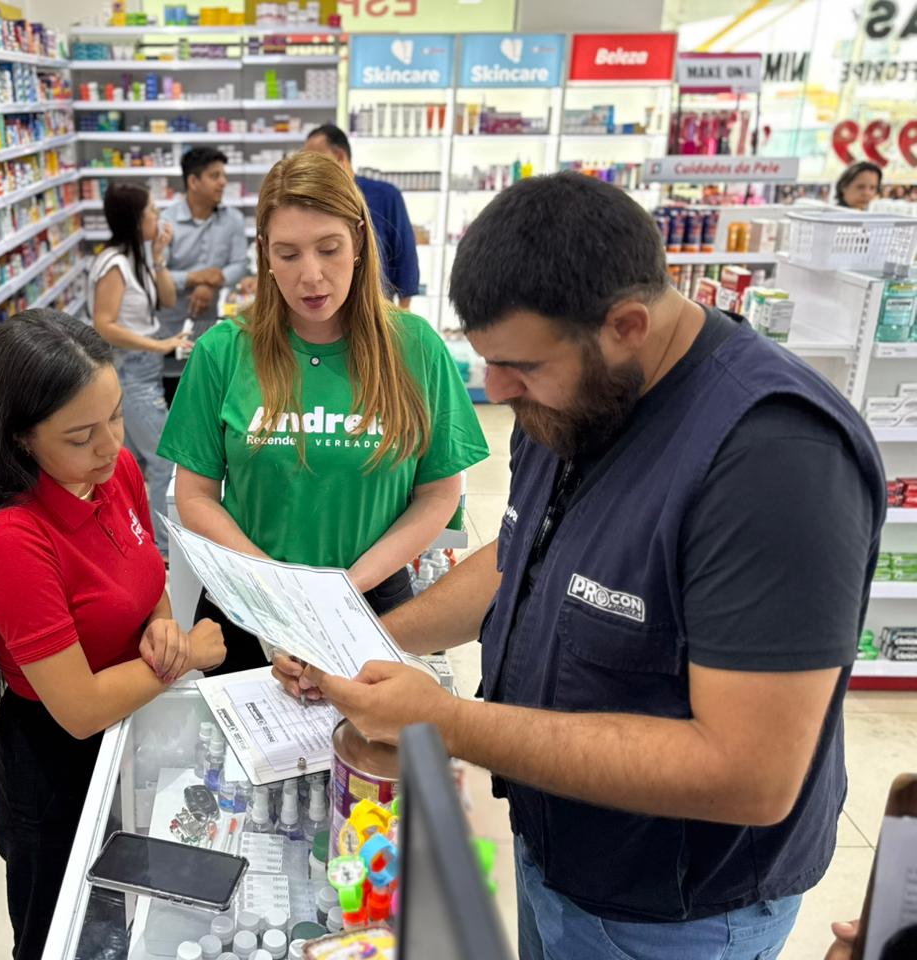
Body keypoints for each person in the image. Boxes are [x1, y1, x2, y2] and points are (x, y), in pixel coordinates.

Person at [275, 173, 886, 958]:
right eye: (487, 360)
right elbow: (520, 556)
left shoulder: (774, 460)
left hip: (675, 917)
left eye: (519, 368)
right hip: (557, 856)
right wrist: (371, 638)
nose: (495, 391)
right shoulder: (571, 399)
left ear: (627, 325)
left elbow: (751, 774)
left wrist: (450, 723)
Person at [0, 310, 225, 960]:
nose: (110, 446)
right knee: (59, 936)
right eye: (80, 435)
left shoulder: (117, 473)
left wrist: (161, 627)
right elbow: (76, 709)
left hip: (132, 731)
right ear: (21, 438)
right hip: (54, 764)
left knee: (122, 922)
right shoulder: (11, 540)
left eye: (115, 418)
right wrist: (185, 653)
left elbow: (144, 583)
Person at [159, 151, 487, 676]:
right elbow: (197, 495)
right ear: (264, 254)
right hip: (250, 607)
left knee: (366, 755)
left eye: (329, 249)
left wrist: (343, 590)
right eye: (288, 254)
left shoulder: (416, 347)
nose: (311, 276)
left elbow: (439, 494)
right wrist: (281, 594)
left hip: (376, 603)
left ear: (358, 241)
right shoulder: (222, 351)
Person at [88, 183, 187, 556]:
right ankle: (162, 549)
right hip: (128, 373)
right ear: (134, 218)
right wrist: (160, 345)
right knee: (163, 457)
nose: (158, 217)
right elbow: (104, 324)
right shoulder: (113, 264)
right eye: (152, 211)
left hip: (142, 371)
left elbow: (168, 298)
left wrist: (159, 255)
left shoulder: (136, 258)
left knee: (119, 463)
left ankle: (124, 541)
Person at [157, 146, 248, 405]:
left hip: (214, 325)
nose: (223, 182)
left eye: (223, 175)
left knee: (212, 396)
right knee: (176, 396)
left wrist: (212, 283)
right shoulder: (167, 222)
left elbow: (240, 264)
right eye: (215, 176)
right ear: (193, 182)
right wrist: (194, 278)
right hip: (172, 326)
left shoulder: (233, 219)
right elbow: (157, 273)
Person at [304, 123, 420, 310]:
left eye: (315, 160)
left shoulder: (385, 196)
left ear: (340, 156)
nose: (310, 168)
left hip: (378, 309)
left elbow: (405, 255)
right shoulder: (313, 203)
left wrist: (404, 312)